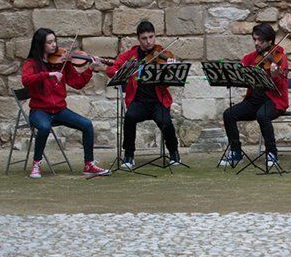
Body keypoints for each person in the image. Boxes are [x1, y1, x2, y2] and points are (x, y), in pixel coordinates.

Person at [21, 28, 110, 179]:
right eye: (49, 42)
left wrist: (90, 69)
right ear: (40, 44)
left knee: (87, 124)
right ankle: (36, 164)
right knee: (44, 127)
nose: (54, 45)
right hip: (39, 111)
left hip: (59, 110)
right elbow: (26, 80)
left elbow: (78, 83)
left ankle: (89, 164)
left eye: (54, 41)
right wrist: (49, 74)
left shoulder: (62, 62)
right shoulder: (31, 64)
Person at [106, 21, 181, 169]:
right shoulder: (131, 55)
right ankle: (128, 154)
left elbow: (167, 84)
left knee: (165, 122)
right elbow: (112, 68)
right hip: (138, 101)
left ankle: (174, 152)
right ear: (138, 39)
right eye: (144, 38)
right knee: (129, 117)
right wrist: (120, 73)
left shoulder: (162, 54)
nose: (148, 42)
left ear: (155, 36)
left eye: (151, 37)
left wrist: (170, 70)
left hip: (157, 101)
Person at [219, 23, 289, 169]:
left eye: (260, 40)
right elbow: (240, 69)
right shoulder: (252, 57)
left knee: (262, 115)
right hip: (254, 100)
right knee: (228, 114)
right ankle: (236, 152)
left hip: (274, 101)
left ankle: (272, 153)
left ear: (270, 41)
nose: (256, 43)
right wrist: (233, 75)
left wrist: (275, 74)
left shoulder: (280, 57)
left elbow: (281, 85)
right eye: (255, 39)